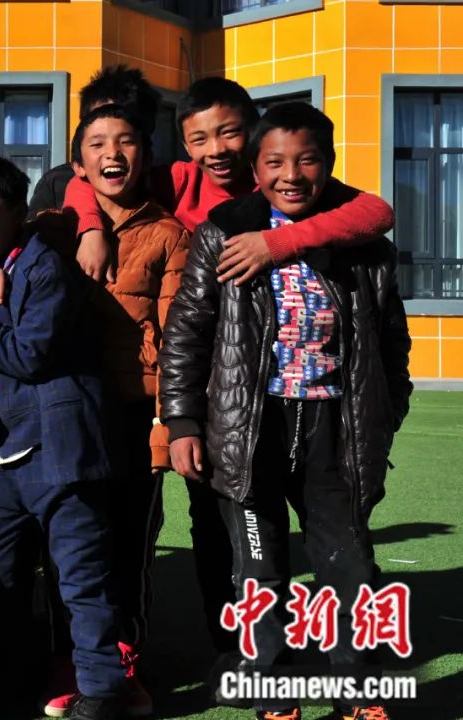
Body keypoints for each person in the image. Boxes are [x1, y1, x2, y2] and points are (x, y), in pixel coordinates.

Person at [64, 76, 398, 695]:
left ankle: (346, 672)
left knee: (337, 543)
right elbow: (89, 176)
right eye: (198, 138)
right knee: (224, 534)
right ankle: (237, 649)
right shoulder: (175, 182)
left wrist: (275, 242)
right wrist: (89, 226)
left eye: (229, 133)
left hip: (322, 412)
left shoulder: (291, 178)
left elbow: (377, 213)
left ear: (254, 134)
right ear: (182, 143)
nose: (215, 149)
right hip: (229, 406)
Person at [159, 102, 412, 720]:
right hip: (249, 428)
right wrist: (183, 422)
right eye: (274, 162)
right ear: (256, 167)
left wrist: (387, 413)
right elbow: (187, 334)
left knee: (350, 566)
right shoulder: (222, 232)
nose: (291, 175)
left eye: (307, 160)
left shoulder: (361, 240)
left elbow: (391, 340)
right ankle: (272, 686)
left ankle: (357, 689)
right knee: (259, 568)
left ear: (329, 163)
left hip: (336, 429)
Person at [0, 156, 125, 720]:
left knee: (81, 578)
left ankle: (102, 691)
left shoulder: (45, 266)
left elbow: (29, 353)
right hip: (13, 453)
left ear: (16, 211)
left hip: (63, 450)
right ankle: (1, 680)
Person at [64, 102, 191, 717]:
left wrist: (165, 431)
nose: (112, 154)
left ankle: (126, 660)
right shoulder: (53, 227)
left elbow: (176, 342)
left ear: (146, 153)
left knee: (129, 542)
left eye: (126, 141)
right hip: (64, 413)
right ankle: (71, 659)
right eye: (97, 143)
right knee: (70, 544)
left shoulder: (169, 234)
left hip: (132, 414)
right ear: (78, 163)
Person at [28, 65, 160, 217]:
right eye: (99, 117)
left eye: (125, 138)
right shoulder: (56, 183)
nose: (112, 152)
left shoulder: (166, 186)